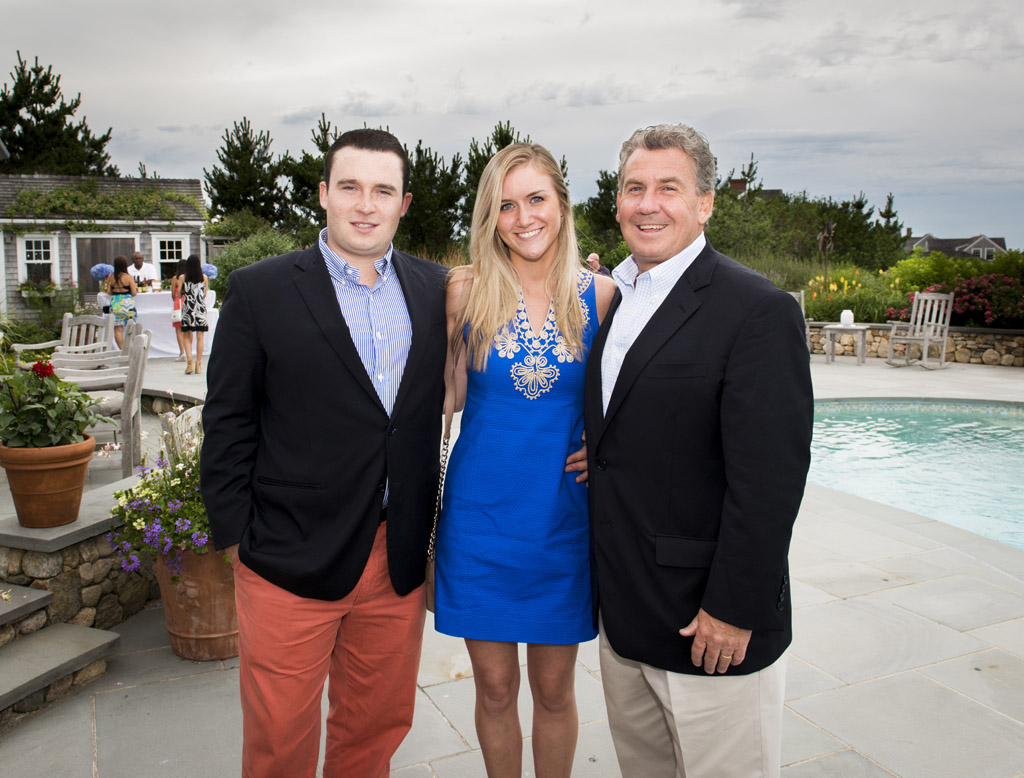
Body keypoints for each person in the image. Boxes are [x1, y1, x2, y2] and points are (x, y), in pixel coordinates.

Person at [200, 128, 448, 778]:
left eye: (383, 190)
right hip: (287, 558)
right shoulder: (260, 290)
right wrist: (238, 540)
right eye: (350, 187)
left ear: (404, 203)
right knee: (279, 742)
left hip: (395, 560)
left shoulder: (437, 289)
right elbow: (227, 421)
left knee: (374, 733)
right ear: (323, 194)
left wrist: (583, 436)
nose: (365, 204)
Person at [583, 124, 813, 778]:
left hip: (708, 627)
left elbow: (770, 481)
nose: (648, 204)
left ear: (705, 203)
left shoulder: (757, 310)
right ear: (618, 202)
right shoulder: (616, 298)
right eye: (634, 188)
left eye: (669, 188)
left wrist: (734, 609)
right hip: (625, 617)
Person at [435, 143, 615, 778]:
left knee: (555, 691)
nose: (523, 217)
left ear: (561, 205)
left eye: (536, 199)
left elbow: (631, 397)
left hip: (562, 525)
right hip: (479, 522)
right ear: (490, 217)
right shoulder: (464, 290)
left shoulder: (602, 296)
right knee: (493, 690)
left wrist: (612, 447)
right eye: (505, 205)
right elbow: (444, 398)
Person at [179, 254, 208, 374]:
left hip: (188, 308)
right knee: (200, 336)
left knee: (187, 335)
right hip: (200, 308)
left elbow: (179, 294)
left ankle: (189, 362)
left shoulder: (182, 277)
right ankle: (198, 364)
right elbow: (204, 294)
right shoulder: (204, 277)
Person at [103, 255, 137, 349]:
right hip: (127, 304)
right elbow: (134, 293)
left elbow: (109, 292)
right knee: (131, 327)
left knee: (118, 329)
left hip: (115, 304)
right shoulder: (128, 277)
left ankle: (122, 350)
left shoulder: (111, 277)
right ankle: (131, 348)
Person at [171, 258, 187, 361]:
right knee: (187, 329)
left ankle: (182, 352)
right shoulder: (189, 277)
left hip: (178, 302)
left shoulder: (175, 278)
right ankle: (188, 351)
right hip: (187, 302)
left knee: (178, 329)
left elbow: (173, 293)